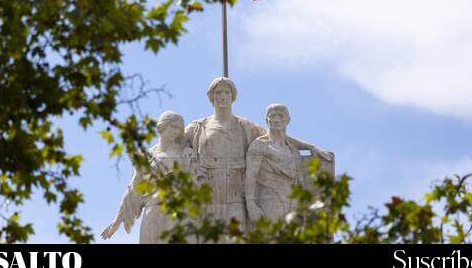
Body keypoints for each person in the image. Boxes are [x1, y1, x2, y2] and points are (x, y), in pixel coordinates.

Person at [185, 77, 330, 233]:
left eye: (227, 92)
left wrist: (310, 147)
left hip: (236, 192)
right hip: (209, 190)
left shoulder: (246, 126)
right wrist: (191, 161)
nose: (222, 96)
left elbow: (275, 136)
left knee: (237, 235)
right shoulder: (198, 127)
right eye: (218, 92)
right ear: (211, 97)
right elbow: (174, 145)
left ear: (232, 96)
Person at [101, 111, 195, 243]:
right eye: (173, 127)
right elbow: (133, 188)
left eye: (179, 128)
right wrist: (117, 220)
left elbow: (198, 183)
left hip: (179, 211)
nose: (177, 131)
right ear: (162, 126)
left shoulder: (187, 153)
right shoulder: (146, 156)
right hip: (154, 209)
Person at [245, 104, 305, 223]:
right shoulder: (259, 145)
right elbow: (250, 177)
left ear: (287, 120)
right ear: (267, 120)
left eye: (281, 116)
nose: (276, 119)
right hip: (270, 199)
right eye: (272, 116)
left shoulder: (293, 150)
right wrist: (251, 205)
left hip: (293, 201)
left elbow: (299, 181)